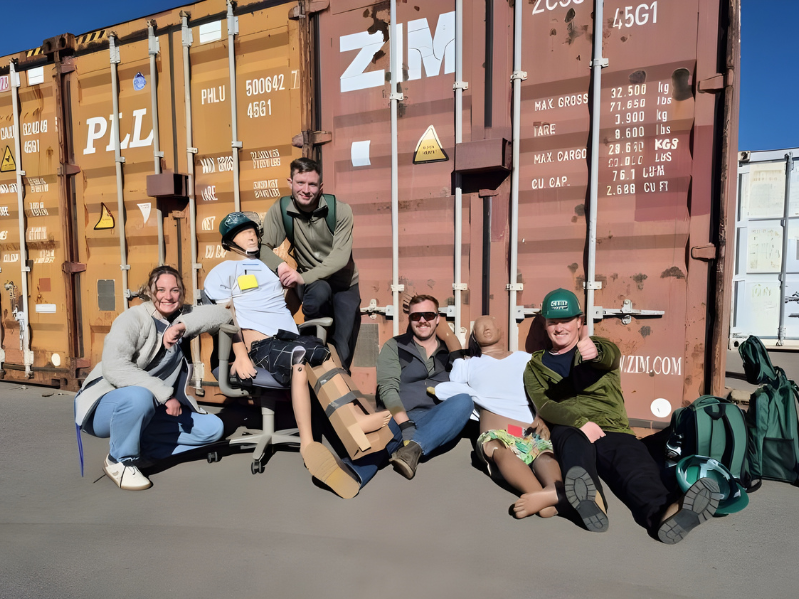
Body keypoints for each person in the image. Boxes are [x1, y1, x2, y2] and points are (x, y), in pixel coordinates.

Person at [204, 212, 397, 498]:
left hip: (287, 337)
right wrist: (240, 355)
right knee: (301, 357)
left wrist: (293, 287)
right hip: (259, 346)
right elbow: (225, 318)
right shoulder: (223, 272)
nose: (251, 235)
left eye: (253, 231)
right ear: (228, 242)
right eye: (242, 232)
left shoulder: (269, 269)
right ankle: (309, 444)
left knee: (324, 350)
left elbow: (286, 307)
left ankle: (355, 417)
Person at [523, 288, 721, 544]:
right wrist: (581, 423)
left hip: (610, 426)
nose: (559, 328)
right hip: (569, 426)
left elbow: (610, 355)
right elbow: (546, 405)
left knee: (632, 463)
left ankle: (665, 512)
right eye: (553, 322)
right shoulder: (535, 366)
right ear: (545, 325)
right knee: (573, 448)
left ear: (579, 322)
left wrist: (594, 352)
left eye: (566, 321)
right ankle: (591, 501)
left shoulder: (598, 346)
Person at [74, 266, 232, 491]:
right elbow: (114, 367)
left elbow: (223, 315)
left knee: (212, 428)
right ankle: (120, 461)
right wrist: (165, 395)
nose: (168, 296)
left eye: (175, 290)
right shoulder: (133, 318)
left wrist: (182, 326)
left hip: (150, 408)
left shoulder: (182, 317)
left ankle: (141, 450)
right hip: (105, 407)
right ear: (150, 291)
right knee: (140, 397)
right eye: (161, 290)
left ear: (182, 292)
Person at [436, 315, 562, 518]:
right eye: (479, 327)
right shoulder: (469, 365)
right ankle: (542, 497)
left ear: (502, 330)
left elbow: (543, 391)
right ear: (474, 337)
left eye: (491, 324)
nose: (486, 327)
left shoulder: (526, 359)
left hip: (527, 430)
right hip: (496, 434)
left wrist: (542, 417)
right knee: (499, 451)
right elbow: (447, 389)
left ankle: (552, 491)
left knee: (544, 455)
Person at [259, 157, 360, 371]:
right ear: (290, 182)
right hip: (314, 285)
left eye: (312, 184)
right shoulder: (281, 210)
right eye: (300, 183)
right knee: (317, 297)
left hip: (344, 284)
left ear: (321, 186)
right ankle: (309, 352)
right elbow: (263, 247)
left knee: (343, 349)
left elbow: (340, 258)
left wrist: (301, 277)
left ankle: (337, 383)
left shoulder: (340, 211)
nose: (306, 190)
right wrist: (281, 266)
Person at [377, 294, 474, 479]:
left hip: (434, 419)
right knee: (373, 455)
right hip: (400, 415)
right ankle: (351, 473)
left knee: (464, 401)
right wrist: (404, 424)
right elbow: (387, 388)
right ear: (410, 319)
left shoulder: (450, 352)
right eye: (416, 316)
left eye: (429, 315)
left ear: (438, 318)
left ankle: (413, 449)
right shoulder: (396, 345)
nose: (422, 320)